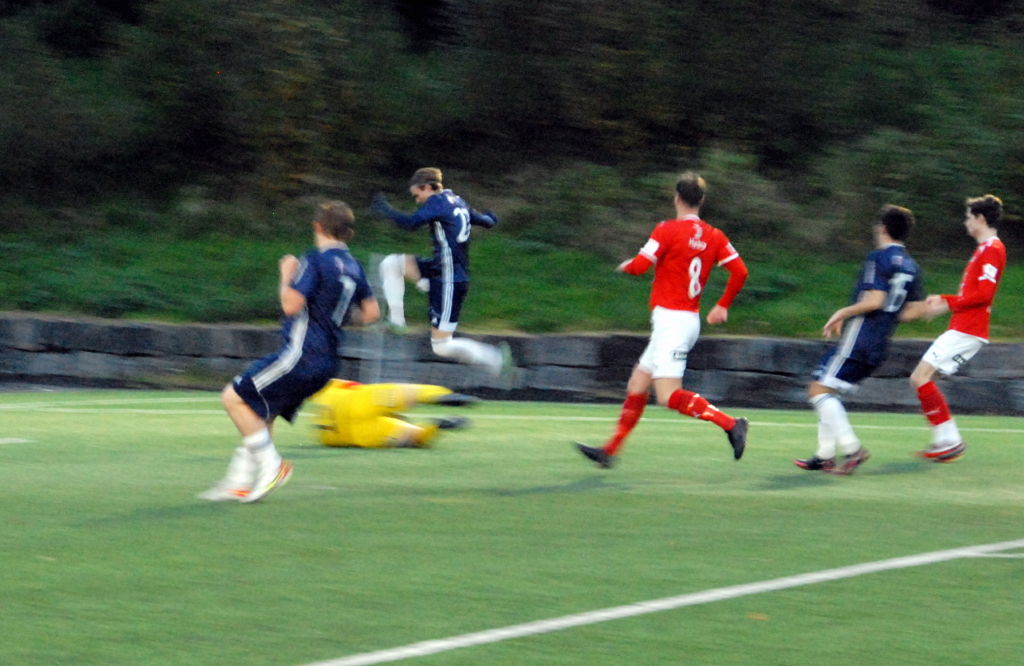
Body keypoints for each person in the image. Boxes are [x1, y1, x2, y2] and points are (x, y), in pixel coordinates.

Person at [199, 201, 380, 502]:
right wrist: (333, 315)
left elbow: (290, 305)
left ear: (318, 227)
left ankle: (273, 466)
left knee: (233, 398)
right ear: (347, 232)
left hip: (302, 355)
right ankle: (238, 482)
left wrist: (286, 274)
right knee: (262, 413)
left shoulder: (315, 259)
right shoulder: (354, 265)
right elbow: (372, 313)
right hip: (327, 363)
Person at [575, 172, 750, 468]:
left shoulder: (667, 229)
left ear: (677, 198)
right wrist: (722, 305)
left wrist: (626, 266)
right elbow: (741, 271)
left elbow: (641, 266)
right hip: (683, 321)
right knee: (638, 383)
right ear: (701, 201)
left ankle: (732, 424)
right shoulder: (714, 235)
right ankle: (610, 451)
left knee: (668, 396)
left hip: (673, 324)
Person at [794, 205, 927, 475]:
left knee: (818, 391)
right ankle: (824, 455)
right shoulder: (911, 266)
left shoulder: (878, 258)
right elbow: (913, 310)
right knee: (827, 389)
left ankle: (852, 449)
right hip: (880, 343)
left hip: (860, 338)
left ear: (883, 228)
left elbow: (875, 300)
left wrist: (842, 312)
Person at [371, 168, 510, 377]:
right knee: (390, 264)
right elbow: (486, 222)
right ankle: (397, 320)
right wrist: (491, 217)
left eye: (417, 195)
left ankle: (495, 357)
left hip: (450, 280)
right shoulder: (457, 201)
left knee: (441, 347)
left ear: (428, 187)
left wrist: (385, 209)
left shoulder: (437, 203)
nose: (418, 200)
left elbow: (410, 224)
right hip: (440, 270)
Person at [908, 194, 1007, 462]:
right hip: (965, 327)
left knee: (920, 377)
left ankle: (949, 440)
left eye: (968, 217)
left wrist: (947, 304)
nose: (966, 222)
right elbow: (974, 295)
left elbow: (984, 295)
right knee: (925, 379)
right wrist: (945, 300)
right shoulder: (984, 249)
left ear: (981, 219)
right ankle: (946, 440)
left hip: (968, 329)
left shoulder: (993, 249)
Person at [310, 379, 478, 448]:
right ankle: (438, 407)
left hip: (352, 416)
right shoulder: (326, 394)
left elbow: (349, 385)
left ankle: (441, 396)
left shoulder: (329, 391)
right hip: (355, 430)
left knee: (411, 394)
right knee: (411, 434)